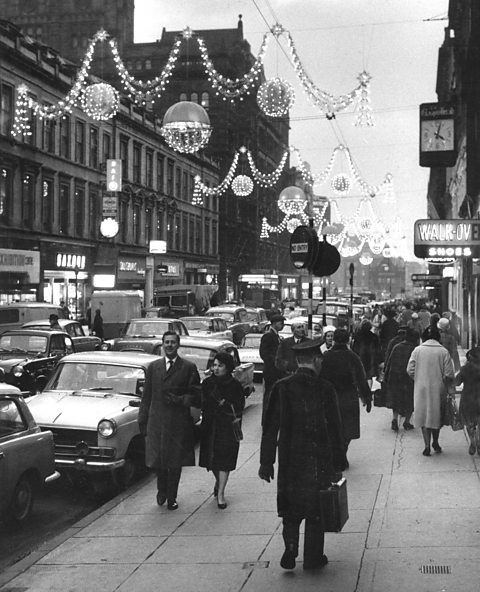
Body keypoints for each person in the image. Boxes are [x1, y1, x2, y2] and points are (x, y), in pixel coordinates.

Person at [259, 338, 346, 571]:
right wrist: (339, 460)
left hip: (290, 458)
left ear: (297, 361)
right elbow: (336, 428)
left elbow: (269, 427)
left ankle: (290, 546)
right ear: (316, 360)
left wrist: (266, 462)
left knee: (290, 507)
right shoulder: (325, 388)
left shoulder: (281, 387)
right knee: (316, 509)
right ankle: (313, 557)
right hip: (319, 458)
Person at [138, 331, 201, 510]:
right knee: (157, 460)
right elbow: (146, 396)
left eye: (173, 342)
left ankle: (172, 497)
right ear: (162, 345)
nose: (170, 345)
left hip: (177, 422)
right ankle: (161, 488)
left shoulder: (188, 367)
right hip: (157, 421)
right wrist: (142, 420)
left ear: (178, 345)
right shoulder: (153, 367)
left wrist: (180, 400)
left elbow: (196, 396)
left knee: (174, 462)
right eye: (167, 342)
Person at [198, 352, 245, 509]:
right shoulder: (207, 384)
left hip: (227, 427)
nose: (216, 369)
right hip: (211, 426)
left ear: (228, 367)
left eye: (220, 365)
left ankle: (221, 494)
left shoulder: (234, 385)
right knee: (212, 461)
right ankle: (219, 482)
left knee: (224, 460)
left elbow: (239, 406)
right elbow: (202, 404)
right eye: (215, 365)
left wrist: (225, 404)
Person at [320, 328, 372, 467]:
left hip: (330, 398)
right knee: (348, 429)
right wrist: (367, 398)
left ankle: (337, 454)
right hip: (348, 397)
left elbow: (319, 378)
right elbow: (361, 379)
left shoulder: (326, 356)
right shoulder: (353, 357)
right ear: (348, 340)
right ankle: (342, 453)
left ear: (334, 339)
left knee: (332, 428)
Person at [406, 326, 455, 456]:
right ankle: (436, 442)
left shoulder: (417, 350)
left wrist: (418, 378)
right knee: (436, 416)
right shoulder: (443, 352)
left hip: (421, 388)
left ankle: (426, 445)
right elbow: (449, 373)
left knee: (423, 417)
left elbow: (410, 369)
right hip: (438, 388)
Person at [383, 328, 420, 432]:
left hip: (395, 377)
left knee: (396, 399)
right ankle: (407, 422)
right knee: (410, 400)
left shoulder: (397, 347)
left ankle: (394, 419)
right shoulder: (416, 349)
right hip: (409, 378)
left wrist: (386, 377)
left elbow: (389, 362)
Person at [259, 313, 285, 424]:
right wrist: (275, 361)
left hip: (277, 372)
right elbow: (264, 353)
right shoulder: (268, 336)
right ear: (274, 324)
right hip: (271, 372)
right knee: (269, 394)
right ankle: (266, 419)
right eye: (281, 323)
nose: (282, 325)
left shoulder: (277, 336)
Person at [455, 346, 480, 455]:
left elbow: (456, 383)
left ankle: (473, 441)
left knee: (470, 423)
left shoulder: (465, 369)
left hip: (468, 400)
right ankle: (479, 441)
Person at [351, 319, 382, 388]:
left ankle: (361, 391)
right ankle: (368, 391)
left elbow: (354, 349)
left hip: (360, 358)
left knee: (360, 375)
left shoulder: (357, 336)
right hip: (371, 359)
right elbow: (378, 350)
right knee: (369, 376)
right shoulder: (374, 337)